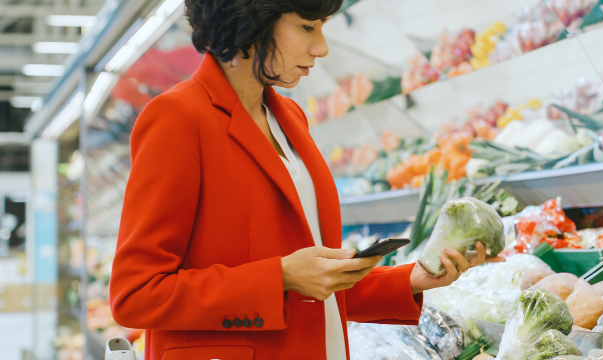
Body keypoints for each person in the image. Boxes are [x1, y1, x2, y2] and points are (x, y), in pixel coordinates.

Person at [108, 1, 498, 359]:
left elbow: (311, 279)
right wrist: (279, 277)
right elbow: (137, 294)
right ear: (252, 22)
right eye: (307, 27)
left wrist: (410, 279)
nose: (322, 48)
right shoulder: (178, 118)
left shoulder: (290, 118)